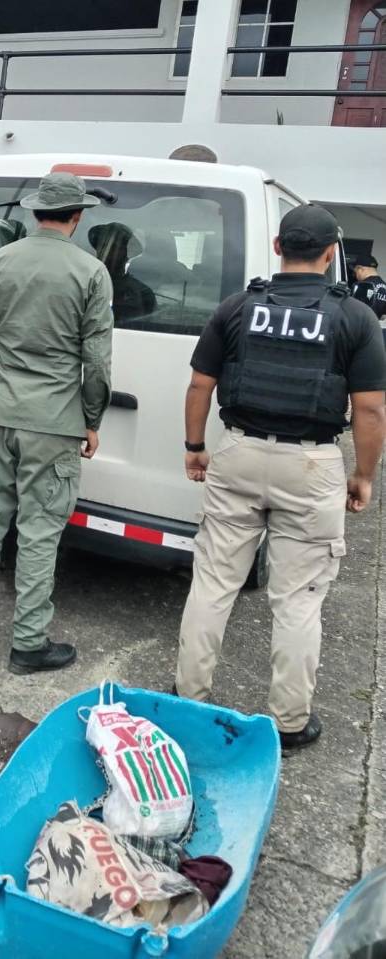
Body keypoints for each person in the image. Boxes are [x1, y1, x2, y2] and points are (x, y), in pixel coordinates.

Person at [175, 204, 386, 749]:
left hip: (238, 451)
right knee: (298, 600)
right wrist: (364, 475)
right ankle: (289, 722)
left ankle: (186, 698)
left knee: (214, 583)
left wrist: (196, 447)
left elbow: (200, 386)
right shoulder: (354, 317)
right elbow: (369, 411)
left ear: (277, 248)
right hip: (312, 464)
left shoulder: (238, 306)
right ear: (330, 253)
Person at [0, 172, 114, 674]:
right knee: (40, 531)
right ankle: (27, 644)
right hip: (55, 420)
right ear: (78, 216)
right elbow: (97, 360)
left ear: (35, 211)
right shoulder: (91, 272)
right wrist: (91, 418)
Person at [88, 222, 156, 322]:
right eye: (103, 245)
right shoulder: (83, 287)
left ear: (126, 252)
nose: (107, 251)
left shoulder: (142, 294)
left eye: (115, 246)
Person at [351, 253, 386, 337]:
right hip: (377, 333)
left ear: (360, 269)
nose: (355, 275)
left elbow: (352, 312)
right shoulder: (385, 286)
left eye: (355, 271)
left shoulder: (359, 286)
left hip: (358, 331)